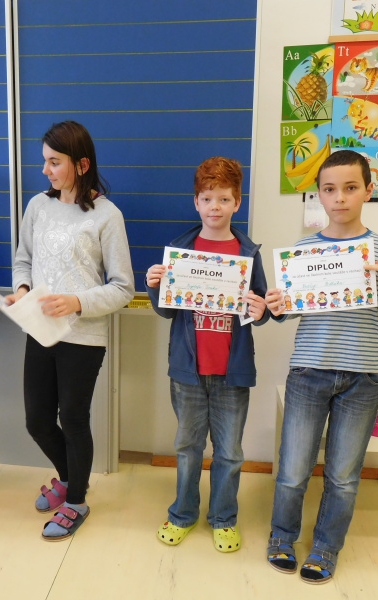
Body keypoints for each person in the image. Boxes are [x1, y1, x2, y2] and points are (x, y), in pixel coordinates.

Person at [264, 149, 378, 584]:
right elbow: (290, 312)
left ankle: (326, 547)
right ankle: (281, 536)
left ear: (369, 190)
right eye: (330, 189)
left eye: (350, 188)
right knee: (293, 469)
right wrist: (277, 305)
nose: (340, 197)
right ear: (319, 195)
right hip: (309, 370)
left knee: (344, 476)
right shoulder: (304, 250)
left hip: (363, 376)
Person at [7, 121, 134, 541]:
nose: (45, 170)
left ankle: (76, 500)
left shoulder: (107, 215)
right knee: (37, 420)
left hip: (83, 337)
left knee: (73, 418)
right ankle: (69, 477)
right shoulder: (37, 207)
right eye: (44, 161)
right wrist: (22, 290)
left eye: (54, 162)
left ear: (81, 164)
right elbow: (23, 260)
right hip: (40, 330)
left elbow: (123, 287)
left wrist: (76, 301)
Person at [145, 156, 273, 553]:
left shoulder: (248, 253)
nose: (215, 207)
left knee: (230, 453)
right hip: (188, 371)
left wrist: (261, 310)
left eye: (224, 199)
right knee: (187, 448)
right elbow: (167, 311)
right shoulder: (180, 250)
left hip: (232, 373)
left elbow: (260, 310)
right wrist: (153, 286)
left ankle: (223, 518)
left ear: (237, 203)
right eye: (207, 199)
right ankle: (183, 513)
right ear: (196, 203)